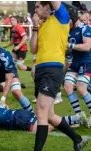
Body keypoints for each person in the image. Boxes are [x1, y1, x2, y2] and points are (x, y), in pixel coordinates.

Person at [30, 2, 87, 151]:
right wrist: (35, 27)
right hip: (41, 70)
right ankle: (78, 139)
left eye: (37, 6)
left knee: (40, 111)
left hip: (53, 69)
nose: (34, 9)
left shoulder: (61, 17)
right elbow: (33, 49)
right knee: (49, 115)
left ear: (47, 7)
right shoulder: (41, 25)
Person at [0, 99, 81, 133]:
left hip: (18, 119)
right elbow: (4, 106)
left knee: (46, 128)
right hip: (19, 113)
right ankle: (76, 119)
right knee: (48, 121)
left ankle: (75, 121)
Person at [64, 8, 91, 129]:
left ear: (73, 19)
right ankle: (80, 116)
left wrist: (70, 45)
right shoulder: (67, 30)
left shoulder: (85, 28)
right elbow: (67, 48)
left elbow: (87, 47)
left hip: (87, 62)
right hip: (75, 62)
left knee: (81, 88)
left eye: (67, 20)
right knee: (67, 86)